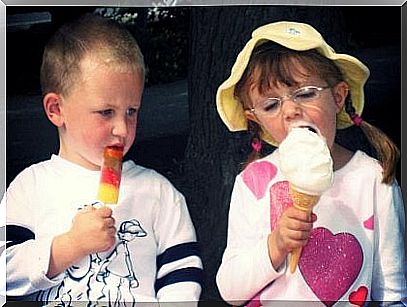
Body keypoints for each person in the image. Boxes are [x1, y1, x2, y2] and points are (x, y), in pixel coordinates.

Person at [3, 13, 203, 305]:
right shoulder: (31, 186)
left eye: (131, 111)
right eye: (106, 112)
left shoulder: (159, 192)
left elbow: (182, 273)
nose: (122, 129)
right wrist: (68, 246)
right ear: (56, 109)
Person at [215, 21, 406, 306]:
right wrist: (276, 245)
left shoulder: (374, 180)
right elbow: (230, 291)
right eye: (271, 105)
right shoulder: (253, 181)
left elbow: (392, 293)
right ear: (256, 119)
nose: (291, 110)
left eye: (305, 93)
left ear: (338, 97)